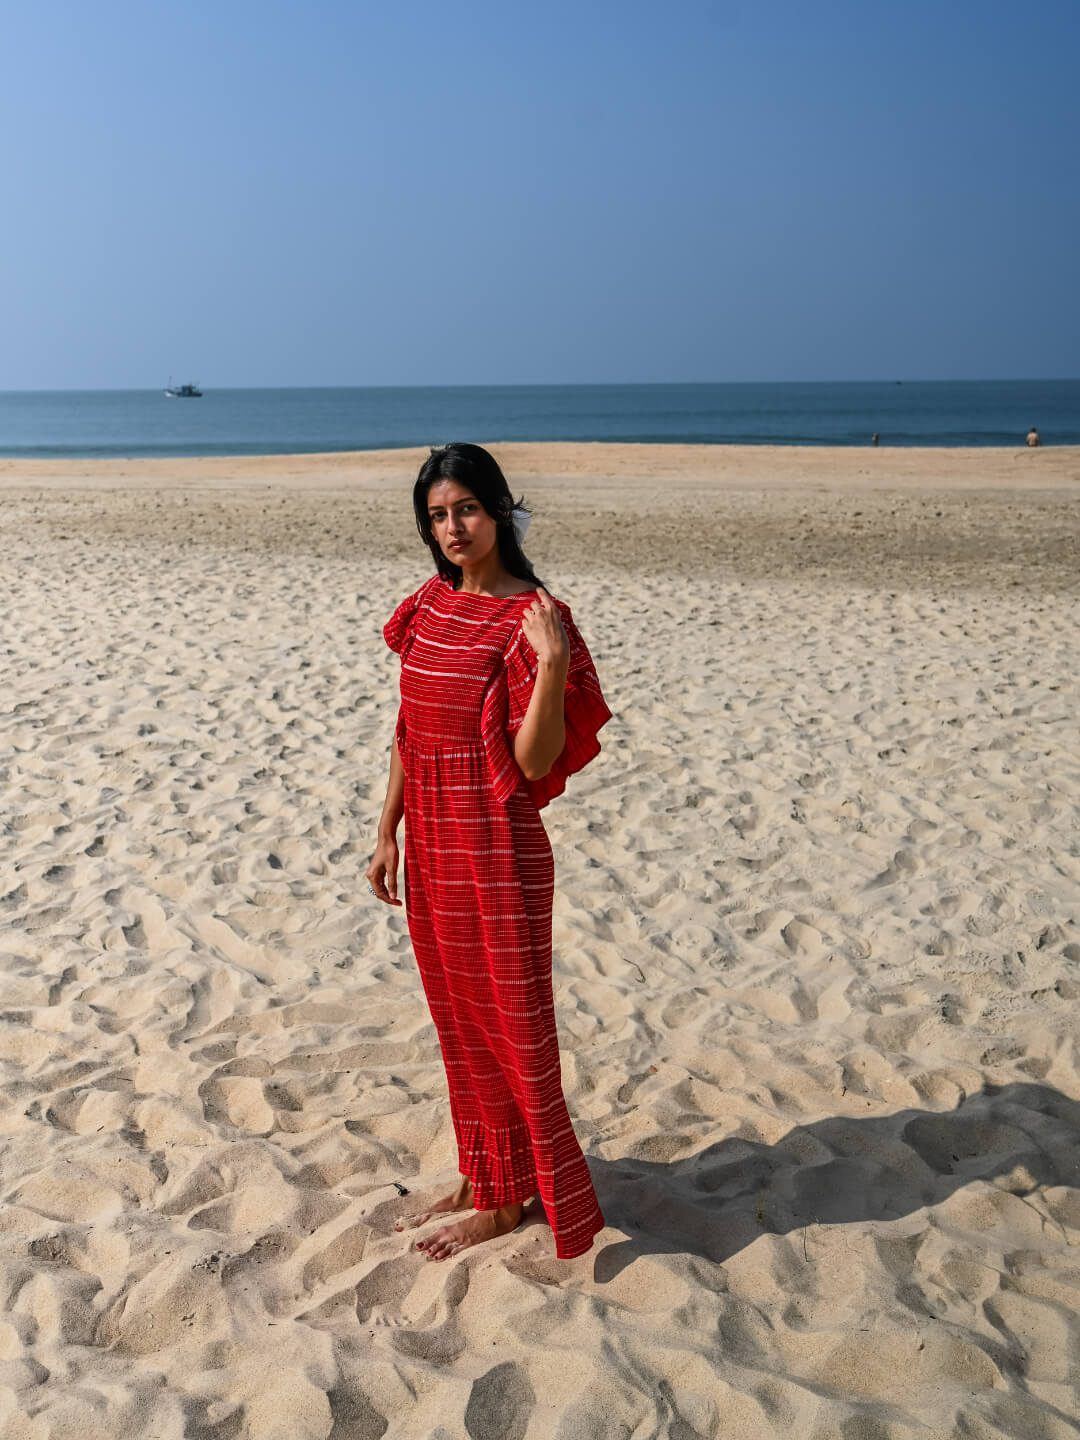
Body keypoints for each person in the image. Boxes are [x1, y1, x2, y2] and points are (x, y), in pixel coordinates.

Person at [367, 442, 611, 1262]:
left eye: (466, 509)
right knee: (460, 1022)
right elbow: (410, 731)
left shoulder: (534, 619)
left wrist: (554, 663)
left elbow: (534, 763)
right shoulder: (427, 606)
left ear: (499, 510)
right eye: (438, 515)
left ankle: (508, 1205)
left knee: (512, 1025)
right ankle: (486, 1174)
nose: (453, 528)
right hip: (433, 842)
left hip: (497, 846)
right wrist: (387, 829)